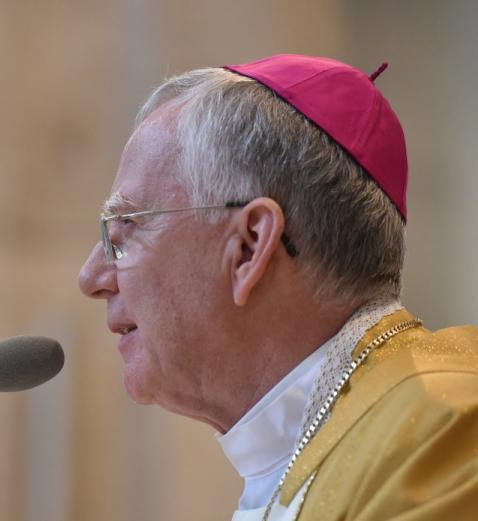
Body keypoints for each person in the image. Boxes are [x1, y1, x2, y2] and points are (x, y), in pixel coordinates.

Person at [77, 54, 478, 520]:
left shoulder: (438, 430)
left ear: (249, 246)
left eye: (126, 227)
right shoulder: (293, 454)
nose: (91, 278)